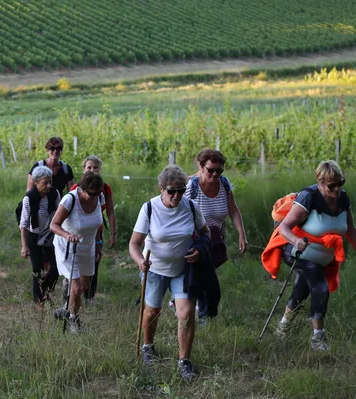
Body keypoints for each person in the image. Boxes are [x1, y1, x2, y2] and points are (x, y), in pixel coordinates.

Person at [264, 160, 356, 351]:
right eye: (332, 185)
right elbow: (284, 227)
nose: (337, 189)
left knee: (302, 290)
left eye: (341, 183)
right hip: (297, 252)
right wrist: (296, 241)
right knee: (319, 286)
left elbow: (351, 231)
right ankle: (318, 338)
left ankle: (283, 327)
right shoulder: (309, 197)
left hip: (322, 256)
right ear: (320, 182)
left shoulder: (343, 199)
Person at [129, 165, 210, 381]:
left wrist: (199, 250)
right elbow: (134, 244)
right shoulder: (149, 208)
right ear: (161, 189)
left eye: (181, 190)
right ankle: (148, 346)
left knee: (186, 313)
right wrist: (140, 261)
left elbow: (205, 233)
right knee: (152, 310)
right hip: (154, 269)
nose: (176, 196)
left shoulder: (191, 207)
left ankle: (184, 361)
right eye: (171, 191)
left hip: (183, 269)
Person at [179, 148, 247, 321]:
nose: (215, 174)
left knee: (203, 275)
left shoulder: (224, 184)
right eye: (211, 170)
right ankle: (199, 313)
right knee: (204, 276)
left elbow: (233, 210)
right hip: (194, 238)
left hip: (215, 238)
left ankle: (186, 301)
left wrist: (241, 233)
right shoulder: (189, 186)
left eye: (219, 170)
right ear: (201, 167)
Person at [49, 171, 104, 334]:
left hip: (87, 246)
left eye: (98, 193)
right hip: (67, 247)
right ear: (82, 189)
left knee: (84, 286)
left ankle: (65, 308)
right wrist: (67, 235)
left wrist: (99, 244)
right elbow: (54, 225)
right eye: (92, 193)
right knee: (76, 285)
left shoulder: (98, 198)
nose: (95, 196)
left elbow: (98, 224)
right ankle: (74, 319)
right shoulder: (70, 199)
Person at [67, 155, 116, 306]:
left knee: (95, 261)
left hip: (96, 230)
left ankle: (89, 296)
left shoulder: (105, 189)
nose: (92, 170)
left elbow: (110, 211)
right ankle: (70, 290)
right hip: (78, 231)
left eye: (95, 167)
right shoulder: (76, 189)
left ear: (100, 169)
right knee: (76, 262)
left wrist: (113, 233)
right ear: (84, 169)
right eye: (89, 167)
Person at [19, 165, 61, 310]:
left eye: (50, 182)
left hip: (51, 235)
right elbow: (23, 223)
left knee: (55, 270)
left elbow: (61, 213)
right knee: (37, 270)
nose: (48, 186)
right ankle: (39, 301)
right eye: (45, 183)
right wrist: (24, 245)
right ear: (36, 183)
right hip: (34, 236)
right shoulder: (29, 198)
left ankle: (45, 291)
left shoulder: (55, 194)